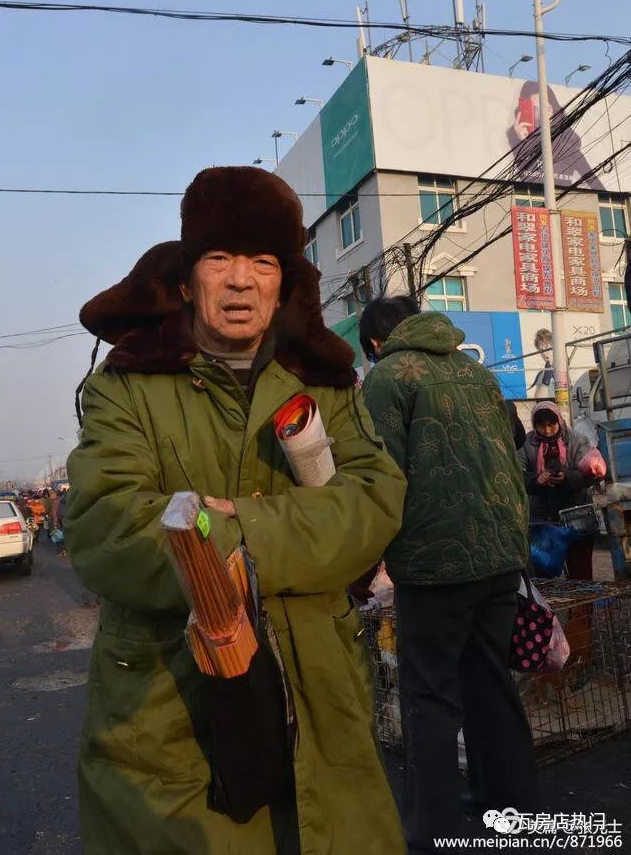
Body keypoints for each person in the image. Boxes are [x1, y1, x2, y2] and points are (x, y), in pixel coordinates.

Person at [65, 166, 408, 854]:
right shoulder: (127, 387)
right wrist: (296, 539)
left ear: (284, 282)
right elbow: (111, 525)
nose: (242, 279)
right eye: (220, 258)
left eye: (262, 261)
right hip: (172, 715)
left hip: (323, 698)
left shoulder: (325, 383)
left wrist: (239, 534)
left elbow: (374, 498)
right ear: (187, 280)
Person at [360, 295, 537, 854]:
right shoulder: (477, 371)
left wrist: (364, 561)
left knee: (430, 698)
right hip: (501, 554)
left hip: (435, 563)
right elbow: (512, 444)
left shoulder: (389, 376)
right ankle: (510, 816)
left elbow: (379, 476)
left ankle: (430, 834)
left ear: (373, 343)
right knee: (491, 686)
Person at [518, 401, 595, 580]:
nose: (547, 431)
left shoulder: (577, 440)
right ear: (535, 425)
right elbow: (516, 474)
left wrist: (566, 477)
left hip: (577, 516)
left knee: (580, 576)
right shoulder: (526, 444)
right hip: (542, 521)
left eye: (551, 425)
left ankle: (582, 608)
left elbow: (590, 474)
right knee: (544, 576)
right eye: (541, 426)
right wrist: (536, 479)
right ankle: (548, 609)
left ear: (559, 421)